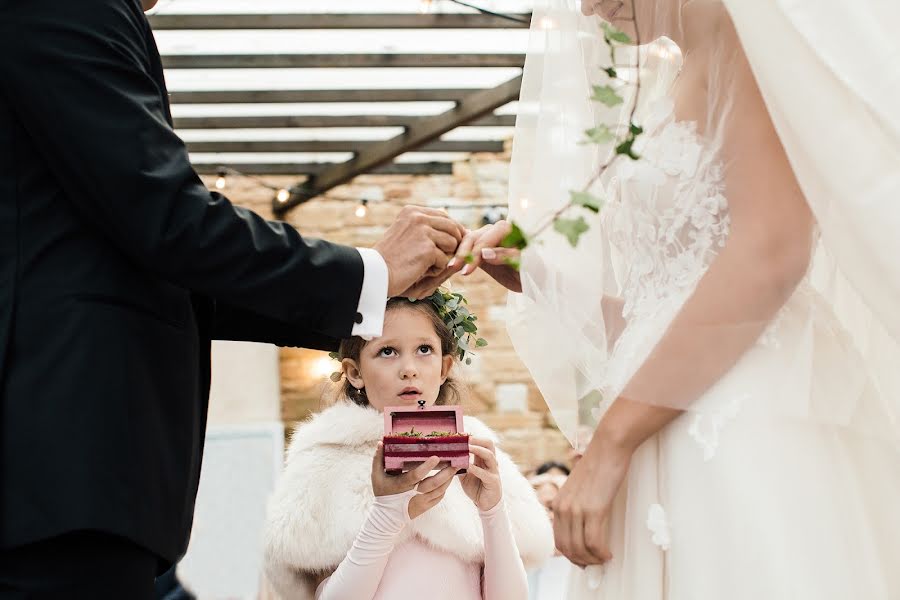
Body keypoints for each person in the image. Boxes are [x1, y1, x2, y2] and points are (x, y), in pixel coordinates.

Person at [0, 0, 465, 596]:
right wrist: (365, 274)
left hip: (75, 485)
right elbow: (165, 217)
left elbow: (157, 264)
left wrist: (373, 289)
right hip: (61, 468)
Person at [455, 0, 900, 597]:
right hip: (665, 413)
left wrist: (614, 439)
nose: (586, 7)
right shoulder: (676, 78)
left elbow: (770, 253)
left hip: (748, 422)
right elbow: (664, 310)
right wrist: (541, 276)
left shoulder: (751, 52)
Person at [263, 296, 554, 599]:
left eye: (424, 350)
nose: (409, 369)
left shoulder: (476, 454)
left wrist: (492, 511)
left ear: (444, 368)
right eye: (387, 351)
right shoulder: (326, 459)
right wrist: (387, 514)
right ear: (355, 372)